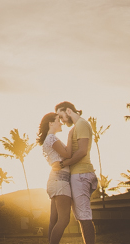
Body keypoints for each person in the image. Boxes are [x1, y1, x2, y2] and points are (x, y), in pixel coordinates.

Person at [55, 101, 97, 244]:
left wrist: (63, 164)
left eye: (61, 116)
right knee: (81, 216)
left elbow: (82, 151)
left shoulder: (81, 124)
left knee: (84, 217)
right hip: (79, 175)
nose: (61, 120)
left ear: (68, 111)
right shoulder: (76, 127)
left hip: (81, 175)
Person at [37, 112, 73, 244]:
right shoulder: (52, 138)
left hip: (55, 180)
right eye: (58, 120)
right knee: (64, 220)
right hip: (61, 181)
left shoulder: (48, 139)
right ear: (51, 123)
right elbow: (68, 154)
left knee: (54, 219)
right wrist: (70, 136)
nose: (61, 122)